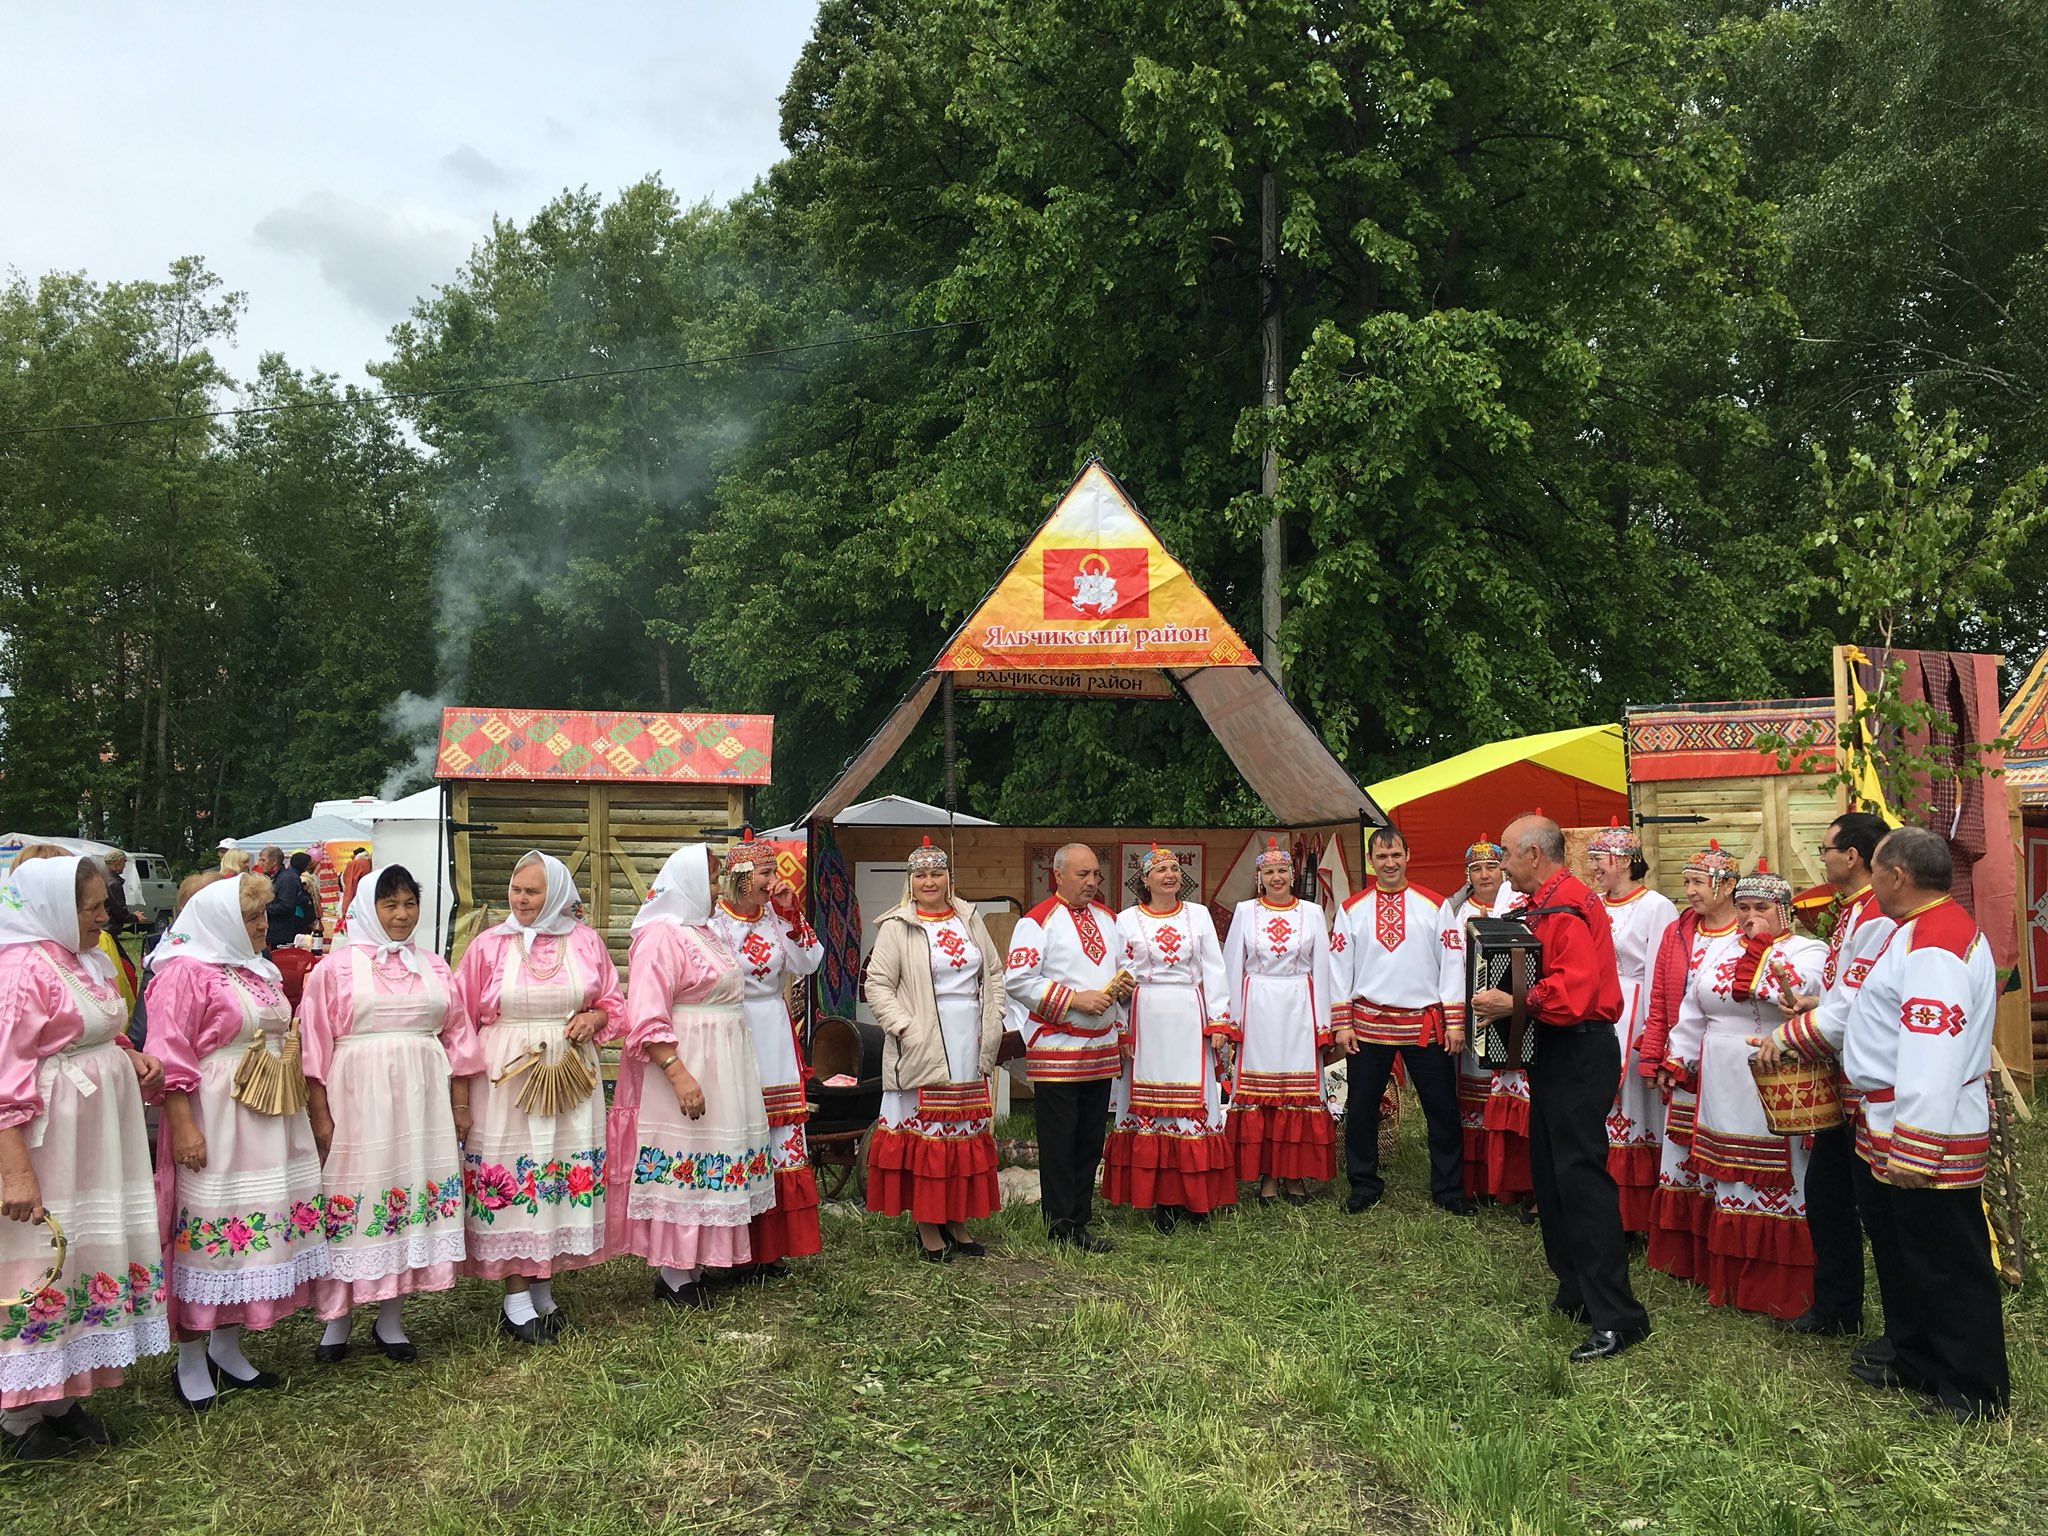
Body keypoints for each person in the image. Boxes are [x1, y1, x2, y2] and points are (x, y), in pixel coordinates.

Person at [1827, 826, 2006, 1421]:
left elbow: (1932, 1045)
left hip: (1928, 1125)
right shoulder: (1923, 931)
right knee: (1908, 1250)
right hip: (1893, 1115)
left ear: (1896, 877)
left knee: (1948, 1260)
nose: (1869, 879)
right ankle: (1918, 1358)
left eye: (1875, 868)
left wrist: (1917, 1143)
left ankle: (1974, 1391)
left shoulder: (1934, 942)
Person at [0, 855, 168, 1458]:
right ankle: (17, 1417)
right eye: (92, 907)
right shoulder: (19, 970)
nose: (105, 916)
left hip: (95, 1135)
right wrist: (15, 1169)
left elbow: (96, 1024)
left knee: (82, 1253)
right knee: (41, 1256)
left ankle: (58, 1397)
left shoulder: (83, 958)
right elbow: (3, 1073)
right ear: (49, 908)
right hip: (50, 1137)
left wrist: (130, 1053)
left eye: (102, 903)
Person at [146, 874, 330, 1409]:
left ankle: (227, 1346)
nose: (261, 926)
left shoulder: (257, 970)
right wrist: (183, 1125)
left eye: (262, 917)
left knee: (253, 1221)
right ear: (222, 920)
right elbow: (168, 1052)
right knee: (211, 1224)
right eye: (251, 918)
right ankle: (189, 1359)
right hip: (217, 1111)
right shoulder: (183, 973)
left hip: (268, 1109)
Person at [1472, 815, 1648, 1362]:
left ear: (1532, 854)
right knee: (1550, 1173)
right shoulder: (1546, 903)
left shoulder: (1567, 905)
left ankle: (1618, 1317)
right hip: (1557, 1050)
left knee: (1579, 1177)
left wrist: (1512, 1002)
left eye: (1504, 852)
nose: (1500, 864)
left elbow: (1573, 993)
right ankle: (1574, 1290)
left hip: (1579, 1047)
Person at [298, 866, 483, 1363]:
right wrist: (320, 1115)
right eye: (389, 905)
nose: (402, 915)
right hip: (357, 1101)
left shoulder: (434, 966)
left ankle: (391, 1319)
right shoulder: (332, 970)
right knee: (353, 1195)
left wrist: (460, 1104)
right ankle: (337, 1321)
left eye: (409, 903)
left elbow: (459, 1041)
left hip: (421, 1105)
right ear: (367, 909)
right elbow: (313, 1050)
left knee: (404, 1195)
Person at [451, 851, 625, 1342]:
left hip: (570, 1072)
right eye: (515, 888)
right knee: (516, 1170)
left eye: (533, 891)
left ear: (557, 895)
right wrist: (460, 1096)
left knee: (558, 1168)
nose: (521, 899)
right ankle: (515, 1297)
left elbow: (614, 1003)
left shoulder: (584, 941)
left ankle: (543, 1286)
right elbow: (460, 1021)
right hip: (507, 1076)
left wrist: (594, 1019)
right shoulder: (489, 946)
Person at [1658, 860, 1826, 1319]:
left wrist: (1759, 951)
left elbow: (1795, 995)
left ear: (1784, 912)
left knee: (1783, 1172)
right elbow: (1694, 1008)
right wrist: (1678, 1058)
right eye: (1745, 907)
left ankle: (1781, 1286)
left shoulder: (1809, 951)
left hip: (1776, 1072)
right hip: (1720, 1074)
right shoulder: (1715, 950)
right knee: (1727, 1174)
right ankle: (1729, 1279)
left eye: (1762, 909)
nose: (1751, 917)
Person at [608, 844, 773, 1307]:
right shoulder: (660, 934)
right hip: (688, 1060)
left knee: (709, 1157)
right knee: (685, 1156)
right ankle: (674, 1272)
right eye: (714, 877)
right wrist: (678, 1073)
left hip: (722, 1061)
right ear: (689, 881)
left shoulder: (701, 930)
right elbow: (646, 1011)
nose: (720, 886)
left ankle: (694, 1264)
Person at [1757, 811, 1896, 1347]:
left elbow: (1863, 1005)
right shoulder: (1854, 911)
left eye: (1826, 849)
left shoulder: (1876, 915)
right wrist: (1815, 1002)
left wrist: (1789, 1036)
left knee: (1874, 1208)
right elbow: (1849, 998)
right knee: (1828, 1193)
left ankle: (1892, 1328)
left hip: (1869, 1088)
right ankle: (1838, 1306)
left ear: (1853, 856)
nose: (1822, 858)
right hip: (1844, 1080)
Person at [865, 838, 1007, 1257]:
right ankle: (928, 1226)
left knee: (962, 1131)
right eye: (921, 875)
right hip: (924, 1037)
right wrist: (904, 1027)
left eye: (936, 873)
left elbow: (993, 972)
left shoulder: (968, 917)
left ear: (949, 877)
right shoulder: (897, 925)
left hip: (969, 1034)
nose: (929, 881)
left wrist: (993, 1020)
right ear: (910, 882)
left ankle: (957, 1220)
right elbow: (877, 985)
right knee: (930, 1133)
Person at [706, 833, 824, 1278]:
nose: (773, 880)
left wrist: (791, 912)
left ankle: (771, 1250)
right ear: (740, 877)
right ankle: (733, 1251)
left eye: (774, 871)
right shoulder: (714, 924)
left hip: (774, 1030)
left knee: (779, 1142)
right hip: (731, 1029)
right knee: (738, 1133)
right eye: (765, 873)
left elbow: (810, 962)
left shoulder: (777, 919)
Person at [1331, 827, 1466, 1215]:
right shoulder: (1351, 909)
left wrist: (1454, 1021)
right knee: (1361, 1107)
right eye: (1382, 856)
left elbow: (1451, 964)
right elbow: (1339, 968)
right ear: (1371, 861)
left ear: (1408, 855)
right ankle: (1364, 1184)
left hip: (1423, 1022)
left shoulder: (1435, 905)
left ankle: (1448, 1189)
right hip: (1369, 1022)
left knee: (1440, 1107)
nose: (1390, 863)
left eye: (1396, 855)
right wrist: (1343, 1022)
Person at [1104, 845, 1237, 1234]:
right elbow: (1117, 977)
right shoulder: (1125, 921)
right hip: (1146, 1015)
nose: (1169, 875)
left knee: (1194, 1104)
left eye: (1175, 869)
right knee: (1152, 1107)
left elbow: (1214, 968)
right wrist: (1122, 1026)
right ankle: (1161, 1199)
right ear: (1144, 880)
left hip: (1188, 1014)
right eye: (1160, 869)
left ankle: (1195, 1198)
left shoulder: (1198, 916)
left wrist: (1218, 1022)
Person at [1005, 843, 1124, 1251]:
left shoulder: (1109, 920)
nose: (1092, 882)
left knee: (1091, 1136)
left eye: (1095, 875)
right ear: (1058, 875)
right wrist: (1075, 1000)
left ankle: (1080, 1218)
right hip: (1057, 1046)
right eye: (1082, 875)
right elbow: (1018, 980)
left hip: (1101, 1045)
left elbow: (1121, 969)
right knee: (1059, 1137)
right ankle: (1060, 1225)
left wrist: (1121, 988)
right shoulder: (1037, 922)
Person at [1635, 841, 1737, 1281]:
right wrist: (1655, 1055)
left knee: (1721, 1151)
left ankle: (1723, 1254)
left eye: (1698, 882)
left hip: (1727, 1064)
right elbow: (1660, 999)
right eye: (1687, 882)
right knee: (1682, 1153)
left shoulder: (1747, 933)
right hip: (1682, 1059)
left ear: (1727, 885)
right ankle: (1686, 1255)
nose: (1689, 891)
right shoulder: (1679, 932)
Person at [1221, 839, 1337, 1205]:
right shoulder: (1245, 911)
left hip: (1300, 1006)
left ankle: (1294, 1174)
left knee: (1299, 1093)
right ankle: (1268, 1176)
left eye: (1282, 871)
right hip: (1257, 1007)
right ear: (1259, 877)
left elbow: (1322, 969)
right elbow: (1231, 966)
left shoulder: (1312, 913)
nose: (1276, 878)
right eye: (1269, 871)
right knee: (1262, 1095)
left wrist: (1324, 1023)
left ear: (1293, 875)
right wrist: (1231, 1021)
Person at [1585, 820, 1678, 1234]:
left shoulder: (1655, 906)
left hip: (1637, 1011)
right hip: (1597, 1008)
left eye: (1598, 860)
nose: (1593, 869)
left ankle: (1636, 1216)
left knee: (1635, 1110)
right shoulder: (1593, 904)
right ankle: (1602, 1206)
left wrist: (1658, 1032)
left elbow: (1664, 969)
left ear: (1622, 861)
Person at [1435, 841, 1521, 1202]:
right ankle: (1478, 1180)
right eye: (1476, 869)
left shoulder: (1519, 905)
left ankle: (1513, 1180)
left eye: (1491, 867)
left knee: (1514, 1087)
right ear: (1467, 875)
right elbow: (1452, 964)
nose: (1485, 875)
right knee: (1475, 1086)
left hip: (1517, 1009)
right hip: (1476, 1010)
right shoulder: (1460, 913)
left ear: (1504, 869)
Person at [266, 852, 313, 952]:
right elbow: (288, 903)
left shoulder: (286, 876)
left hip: (283, 927)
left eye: (263, 860)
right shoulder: (289, 877)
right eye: (309, 865)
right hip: (287, 925)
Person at [101, 851, 133, 937]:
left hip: (101, 927)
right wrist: (135, 917)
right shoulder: (113, 883)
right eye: (124, 862)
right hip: (108, 929)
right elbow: (120, 910)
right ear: (118, 862)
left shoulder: (100, 876)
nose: (124, 866)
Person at [340, 847, 373, 918]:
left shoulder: (355, 864)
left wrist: (345, 909)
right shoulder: (371, 861)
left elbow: (350, 886)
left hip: (356, 899)